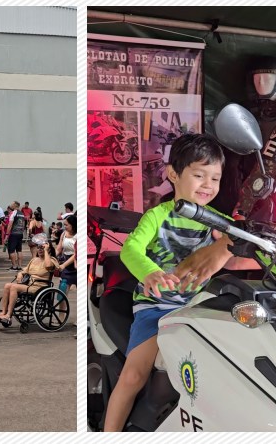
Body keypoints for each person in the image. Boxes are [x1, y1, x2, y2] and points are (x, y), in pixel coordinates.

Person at [103, 133, 225, 432]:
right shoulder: (158, 215)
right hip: (156, 306)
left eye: (215, 178)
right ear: (173, 174)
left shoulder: (219, 221)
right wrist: (150, 273)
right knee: (134, 375)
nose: (208, 185)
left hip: (197, 307)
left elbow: (250, 241)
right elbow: (131, 249)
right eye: (199, 175)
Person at [0, 239, 57, 326]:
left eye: (43, 248)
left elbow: (48, 266)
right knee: (7, 285)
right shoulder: (34, 260)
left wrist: (46, 251)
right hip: (30, 285)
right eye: (39, 247)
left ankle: (8, 315)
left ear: (48, 249)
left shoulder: (52, 260)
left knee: (14, 287)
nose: (40, 250)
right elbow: (24, 270)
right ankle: (3, 312)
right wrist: (20, 274)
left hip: (39, 287)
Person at [57, 215, 78, 293]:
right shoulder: (64, 234)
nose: (64, 227)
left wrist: (64, 265)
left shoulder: (78, 235)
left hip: (76, 264)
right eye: (64, 225)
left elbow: (76, 253)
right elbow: (59, 249)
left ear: (73, 224)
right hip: (66, 266)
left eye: (66, 225)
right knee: (61, 294)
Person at [3, 202, 26, 271]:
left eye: (12, 204)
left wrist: (7, 235)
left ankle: (14, 266)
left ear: (15, 205)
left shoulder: (14, 213)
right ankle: (19, 266)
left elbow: (10, 224)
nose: (10, 205)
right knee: (19, 250)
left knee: (12, 250)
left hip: (13, 233)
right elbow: (24, 224)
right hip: (20, 233)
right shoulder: (22, 214)